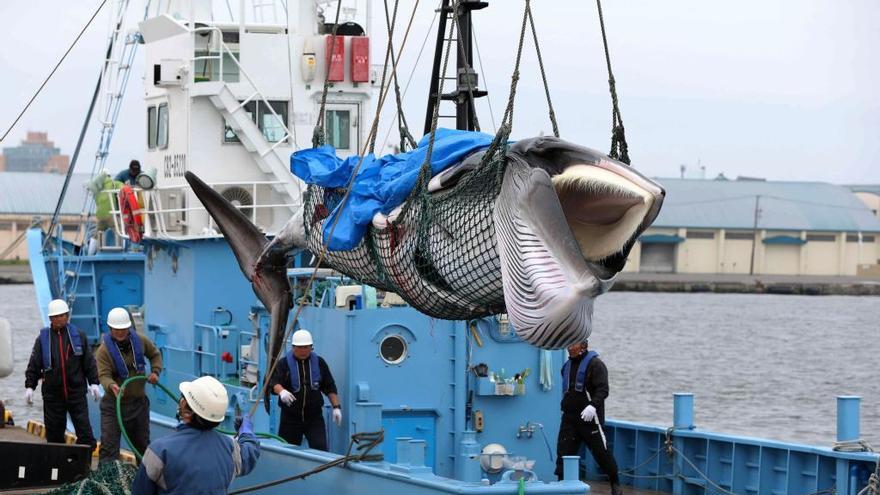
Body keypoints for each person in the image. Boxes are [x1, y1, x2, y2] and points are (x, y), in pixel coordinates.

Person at [132, 376, 260, 494]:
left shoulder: (159, 451)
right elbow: (249, 455)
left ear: (186, 409)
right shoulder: (230, 448)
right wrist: (246, 432)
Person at [24, 299, 101, 450]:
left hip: (76, 394)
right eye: (56, 316)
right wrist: (29, 387)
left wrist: (94, 383)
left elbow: (89, 362)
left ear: (67, 316)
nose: (60, 319)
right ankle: (57, 470)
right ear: (50, 318)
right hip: (53, 396)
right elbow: (34, 364)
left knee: (86, 435)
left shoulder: (79, 336)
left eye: (63, 315)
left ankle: (82, 468)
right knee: (54, 437)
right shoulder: (42, 340)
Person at [95, 307, 163, 464]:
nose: (120, 332)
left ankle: (146, 482)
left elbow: (155, 354)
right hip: (114, 406)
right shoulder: (103, 351)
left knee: (142, 447)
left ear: (129, 327)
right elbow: (104, 376)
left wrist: (155, 372)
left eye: (123, 329)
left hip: (138, 405)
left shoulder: (141, 341)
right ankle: (107, 483)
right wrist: (112, 386)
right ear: (110, 328)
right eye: (116, 329)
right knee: (109, 449)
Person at [555, 340, 622, 495]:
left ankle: (615, 484)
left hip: (590, 419)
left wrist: (593, 405)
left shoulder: (596, 365)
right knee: (563, 453)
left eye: (573, 345)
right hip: (570, 419)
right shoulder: (566, 366)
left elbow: (603, 390)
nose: (569, 348)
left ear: (583, 346)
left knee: (601, 453)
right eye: (568, 345)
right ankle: (560, 486)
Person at [269, 329, 341, 450]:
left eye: (306, 347)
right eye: (299, 347)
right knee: (287, 451)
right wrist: (282, 391)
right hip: (290, 419)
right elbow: (273, 382)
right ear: (293, 347)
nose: (303, 351)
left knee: (320, 449)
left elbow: (330, 386)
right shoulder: (283, 364)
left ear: (311, 347)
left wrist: (336, 408)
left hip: (314, 418)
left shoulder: (319, 363)